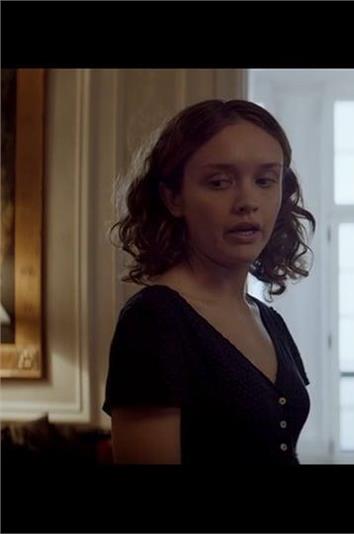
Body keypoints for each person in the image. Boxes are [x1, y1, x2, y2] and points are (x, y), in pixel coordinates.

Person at [103, 100, 316, 464]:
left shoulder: (268, 319)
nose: (247, 201)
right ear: (173, 198)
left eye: (265, 181)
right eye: (219, 182)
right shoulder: (154, 320)